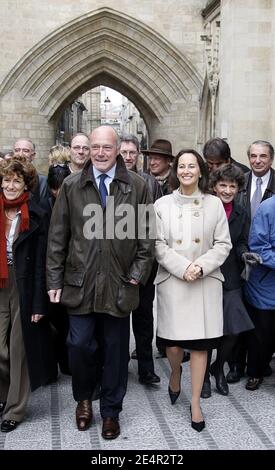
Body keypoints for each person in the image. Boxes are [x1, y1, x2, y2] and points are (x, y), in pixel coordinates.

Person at [46, 125, 154, 439]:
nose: (100, 153)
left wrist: (135, 275)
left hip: (120, 286)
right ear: (88, 149)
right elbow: (57, 238)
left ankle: (110, 411)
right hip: (80, 284)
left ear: (118, 148)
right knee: (78, 345)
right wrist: (54, 279)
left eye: (107, 147)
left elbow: (146, 239)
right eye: (95, 147)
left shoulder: (136, 186)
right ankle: (83, 400)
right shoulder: (71, 185)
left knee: (116, 352)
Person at [154, 149, 231, 431]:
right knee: (173, 345)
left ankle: (196, 402)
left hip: (204, 282)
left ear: (201, 170)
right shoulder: (161, 204)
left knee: (200, 346)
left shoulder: (213, 204)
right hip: (174, 281)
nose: (187, 170)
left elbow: (223, 244)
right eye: (182, 166)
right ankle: (175, 372)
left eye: (192, 166)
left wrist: (200, 266)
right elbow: (157, 244)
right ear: (176, 171)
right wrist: (182, 267)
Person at [0, 157, 56, 433]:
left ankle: (15, 409)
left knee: (18, 348)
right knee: (1, 347)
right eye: (7, 179)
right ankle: (3, 395)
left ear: (26, 184)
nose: (10, 185)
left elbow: (42, 262)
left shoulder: (37, 211)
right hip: (0, 283)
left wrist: (39, 302)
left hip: (23, 283)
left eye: (16, 180)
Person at [201, 164, 255, 398]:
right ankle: (202, 376)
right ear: (214, 187)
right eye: (223, 185)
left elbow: (241, 241)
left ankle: (218, 368)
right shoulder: (203, 208)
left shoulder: (242, 212)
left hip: (231, 275)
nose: (227, 190)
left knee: (233, 328)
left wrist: (245, 254)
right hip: (205, 275)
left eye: (232, 186)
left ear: (238, 189)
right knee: (204, 331)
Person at [227, 140, 275, 384]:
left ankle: (259, 364)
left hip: (264, 266)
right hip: (239, 255)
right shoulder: (239, 182)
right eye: (253, 156)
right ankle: (236, 364)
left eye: (263, 156)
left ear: (271, 158)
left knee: (259, 320)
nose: (258, 160)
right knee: (238, 313)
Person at [120, 134, 161, 385]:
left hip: (144, 259)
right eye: (123, 152)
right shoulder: (111, 181)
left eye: (132, 152)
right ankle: (119, 365)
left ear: (137, 155)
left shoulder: (149, 183)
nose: (127, 156)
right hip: (119, 262)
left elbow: (152, 221)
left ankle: (146, 367)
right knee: (119, 318)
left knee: (144, 316)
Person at [244, 196, 275, 391]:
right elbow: (259, 246)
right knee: (263, 333)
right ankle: (255, 372)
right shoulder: (268, 208)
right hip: (265, 284)